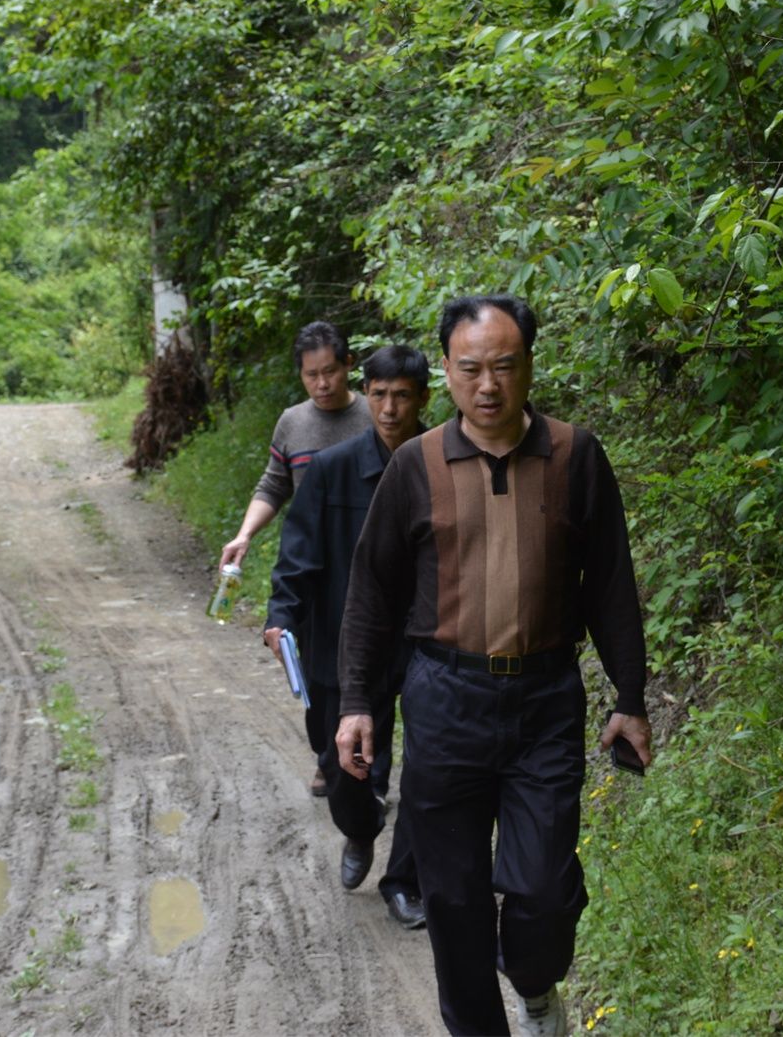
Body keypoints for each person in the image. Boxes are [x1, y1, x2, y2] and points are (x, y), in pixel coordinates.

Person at [335, 295, 652, 1037]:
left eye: (504, 366)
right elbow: (372, 593)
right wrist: (357, 701)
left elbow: (610, 582)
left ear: (529, 366)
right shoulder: (414, 466)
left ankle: (536, 984)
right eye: (470, 367)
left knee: (542, 888)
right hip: (445, 698)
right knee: (453, 899)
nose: (488, 385)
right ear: (444, 369)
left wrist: (629, 695)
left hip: (544, 699)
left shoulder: (576, 456)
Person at [265, 345, 430, 929]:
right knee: (344, 772)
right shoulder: (332, 469)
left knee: (430, 768)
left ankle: (405, 882)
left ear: (423, 399)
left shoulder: (443, 464)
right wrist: (282, 612)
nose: (388, 408)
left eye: (402, 396)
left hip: (426, 643)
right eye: (380, 395)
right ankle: (360, 830)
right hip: (341, 640)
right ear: (368, 394)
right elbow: (298, 554)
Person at [221, 319, 369, 795]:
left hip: (366, 567)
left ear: (349, 365)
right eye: (311, 375)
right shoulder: (293, 422)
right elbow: (273, 484)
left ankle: (370, 772)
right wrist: (245, 534)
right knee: (316, 673)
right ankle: (327, 756)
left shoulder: (375, 417)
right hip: (310, 571)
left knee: (369, 671)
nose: (322, 384)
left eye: (330, 371)